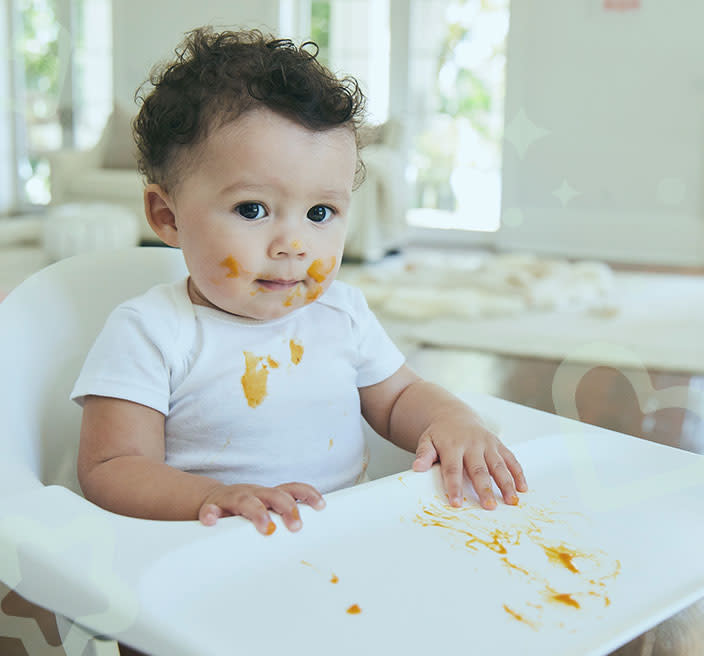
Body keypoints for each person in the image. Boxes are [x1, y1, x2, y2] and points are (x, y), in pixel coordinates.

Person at [72, 27, 527, 536]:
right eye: (253, 209)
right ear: (168, 217)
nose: (294, 244)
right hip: (210, 565)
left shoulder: (342, 313)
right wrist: (214, 497)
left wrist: (451, 420)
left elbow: (399, 398)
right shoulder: (151, 331)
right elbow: (110, 469)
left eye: (319, 212)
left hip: (346, 543)